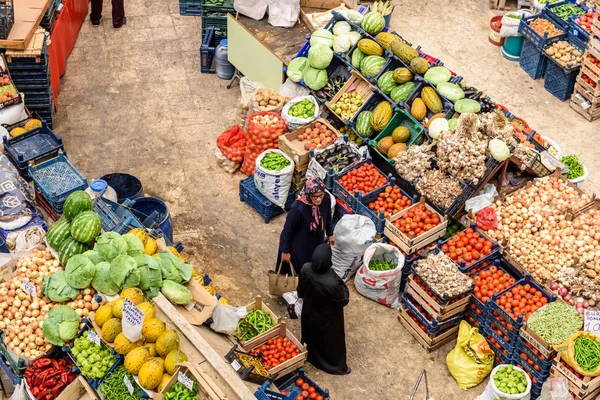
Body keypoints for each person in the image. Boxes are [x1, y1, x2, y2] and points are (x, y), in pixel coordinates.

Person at [297, 243, 350, 375]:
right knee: (330, 342)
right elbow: (344, 299)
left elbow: (301, 291)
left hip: (309, 311)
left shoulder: (305, 269)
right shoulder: (332, 282)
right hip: (328, 318)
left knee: (311, 335)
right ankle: (334, 366)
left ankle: (311, 356)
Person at [276, 177, 334, 275]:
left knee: (313, 263)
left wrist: (330, 233)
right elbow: (287, 231)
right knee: (299, 268)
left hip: (317, 239)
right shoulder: (297, 209)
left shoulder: (326, 199)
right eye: (315, 196)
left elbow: (327, 216)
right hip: (300, 244)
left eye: (321, 195)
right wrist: (285, 251)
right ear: (308, 194)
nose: (319, 199)